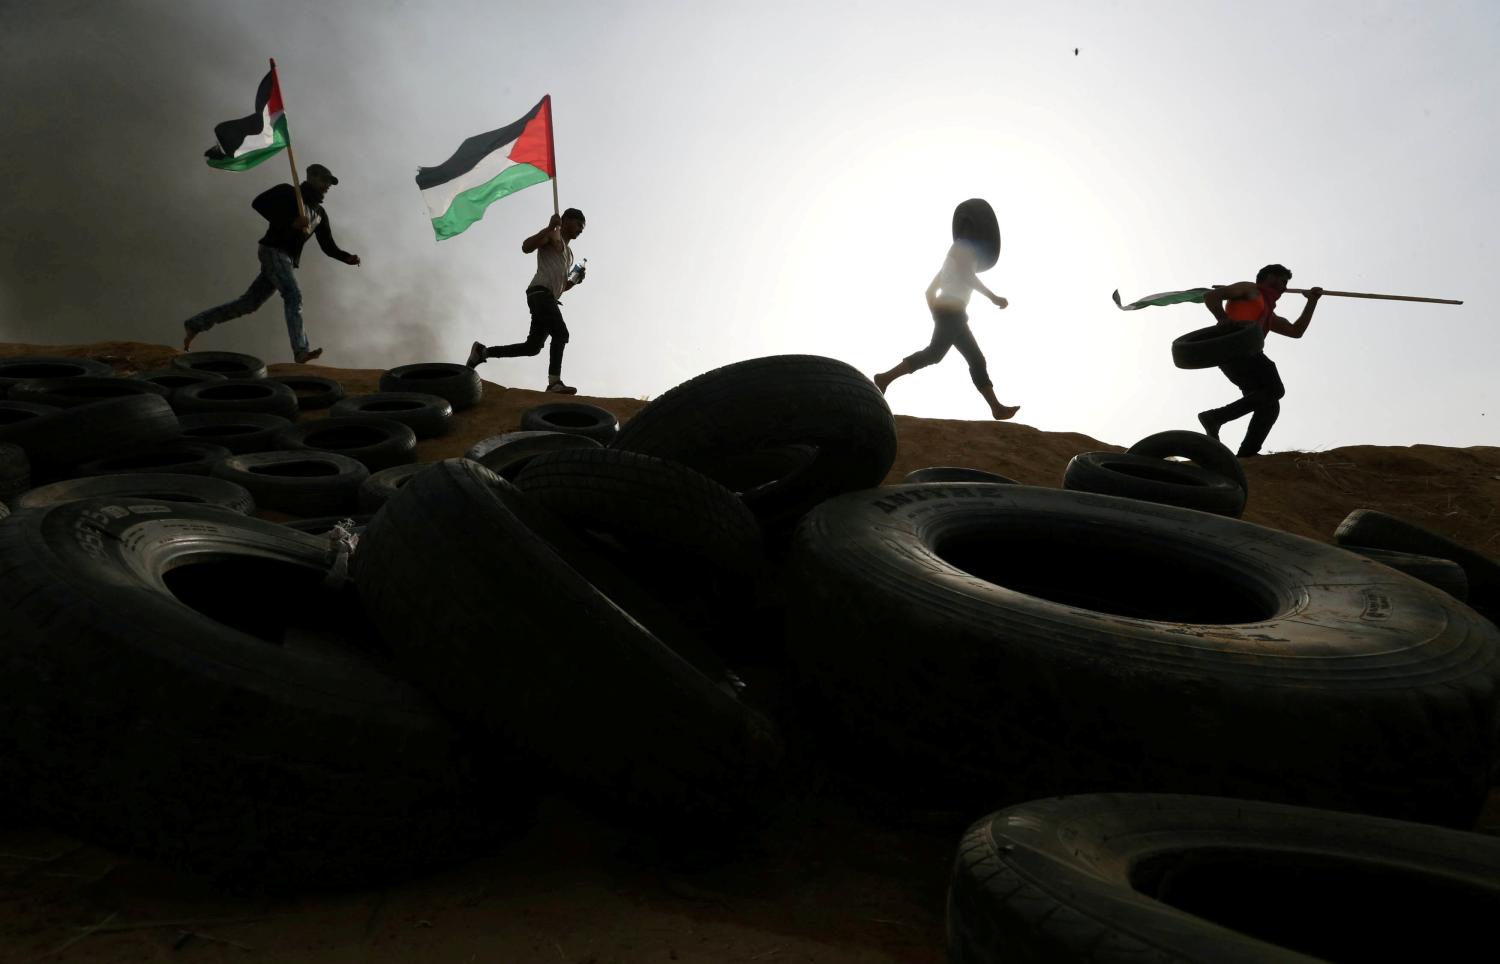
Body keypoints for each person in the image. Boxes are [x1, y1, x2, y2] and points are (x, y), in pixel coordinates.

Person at [182, 164, 360, 364]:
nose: (328, 185)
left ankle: (196, 324)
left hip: (286, 260)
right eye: (325, 180)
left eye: (330, 182)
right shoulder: (288, 192)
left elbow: (328, 246)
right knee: (293, 294)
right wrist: (290, 222)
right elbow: (259, 203)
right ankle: (301, 350)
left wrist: (347, 258)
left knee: (249, 304)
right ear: (311, 176)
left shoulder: (319, 214)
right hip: (273, 251)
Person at [872, 239, 1020, 420]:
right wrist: (993, 297)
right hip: (952, 312)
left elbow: (929, 292)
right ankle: (885, 378)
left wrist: (936, 313)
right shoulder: (961, 251)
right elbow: (968, 277)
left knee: (975, 359)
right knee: (936, 354)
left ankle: (996, 408)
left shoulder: (949, 264)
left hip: (954, 313)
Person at [1197, 264, 1323, 457]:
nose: (1284, 287)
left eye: (1286, 283)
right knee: (1275, 390)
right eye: (1282, 280)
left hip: (1239, 357)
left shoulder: (1267, 312)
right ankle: (1215, 417)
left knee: (1270, 405)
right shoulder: (1249, 289)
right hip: (1236, 346)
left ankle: (1247, 455)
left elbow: (1296, 331)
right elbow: (1211, 297)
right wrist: (1222, 318)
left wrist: (1312, 301)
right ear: (1268, 277)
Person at [466, 208, 587, 394]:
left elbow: (563, 286)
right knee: (561, 334)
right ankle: (554, 382)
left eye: (583, 227)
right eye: (579, 224)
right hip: (540, 293)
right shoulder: (553, 235)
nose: (581, 229)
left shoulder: (569, 254)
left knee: (532, 347)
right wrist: (549, 227)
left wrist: (575, 280)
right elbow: (526, 247)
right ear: (566, 220)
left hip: (549, 298)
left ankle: (482, 352)